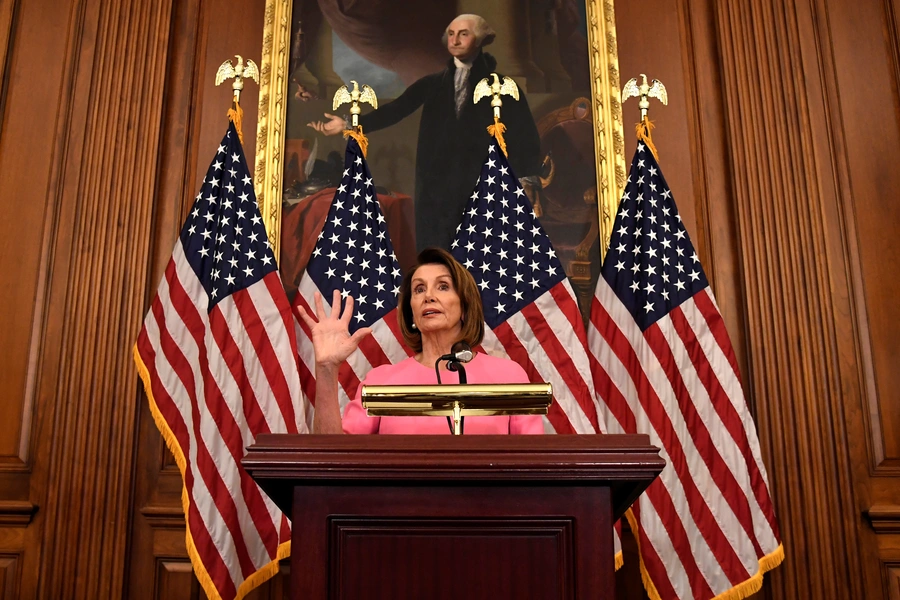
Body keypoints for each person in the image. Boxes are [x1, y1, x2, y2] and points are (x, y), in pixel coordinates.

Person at [308, 14, 542, 252]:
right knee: (439, 254)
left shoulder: (501, 87)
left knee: (482, 254)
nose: (456, 40)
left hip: (483, 185)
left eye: (464, 34)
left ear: (481, 39)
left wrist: (526, 180)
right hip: (437, 187)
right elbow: (396, 110)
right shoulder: (433, 84)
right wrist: (348, 124)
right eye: (451, 34)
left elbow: (524, 135)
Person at [297, 247, 544, 434]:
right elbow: (333, 458)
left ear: (465, 307)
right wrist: (327, 369)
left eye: (443, 287)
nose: (428, 296)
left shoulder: (508, 376)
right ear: (411, 312)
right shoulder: (382, 382)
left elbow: (532, 463)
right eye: (419, 289)